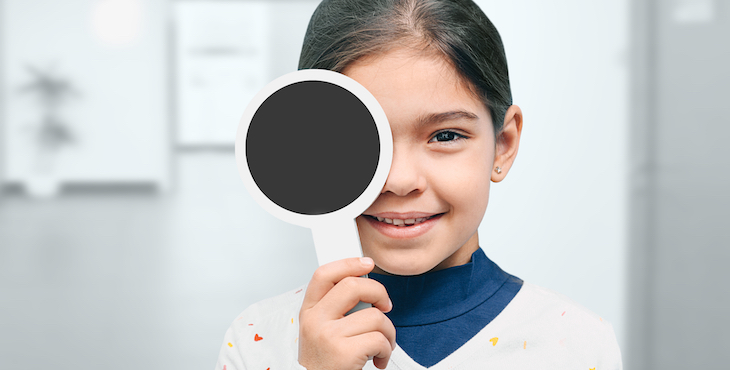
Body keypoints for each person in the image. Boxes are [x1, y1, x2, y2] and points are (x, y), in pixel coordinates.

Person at [215, 0, 623, 369]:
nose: (400, 180)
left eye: (446, 136)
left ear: (503, 144)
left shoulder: (576, 346)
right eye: (356, 141)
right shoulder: (258, 342)